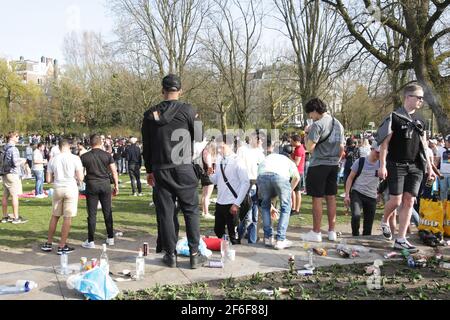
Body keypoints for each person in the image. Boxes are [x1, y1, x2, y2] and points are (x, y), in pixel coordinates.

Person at [142, 74, 206, 269]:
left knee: (167, 214)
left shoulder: (150, 114)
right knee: (191, 211)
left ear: (162, 90)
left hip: (161, 169)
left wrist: (150, 170)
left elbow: (147, 146)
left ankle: (170, 255)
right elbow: (200, 135)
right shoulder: (188, 110)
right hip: (184, 166)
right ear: (180, 90)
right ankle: (194, 254)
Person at [377, 84, 435, 250]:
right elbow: (384, 144)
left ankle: (401, 239)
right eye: (418, 97)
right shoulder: (394, 117)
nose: (421, 101)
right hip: (396, 163)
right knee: (396, 200)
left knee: (409, 201)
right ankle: (384, 219)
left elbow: (424, 145)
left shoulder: (421, 120)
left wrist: (430, 167)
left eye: (422, 98)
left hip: (416, 165)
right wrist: (382, 165)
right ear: (408, 97)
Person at [301, 98, 345, 242]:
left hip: (318, 164)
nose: (310, 117)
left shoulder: (317, 125)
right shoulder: (338, 123)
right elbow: (341, 148)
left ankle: (316, 232)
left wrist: (306, 134)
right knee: (331, 197)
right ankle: (332, 231)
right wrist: (336, 161)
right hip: (333, 165)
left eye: (310, 114)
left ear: (315, 111)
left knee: (317, 198)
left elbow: (309, 148)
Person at [41, 140, 84, 254]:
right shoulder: (75, 158)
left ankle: (49, 243)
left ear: (59, 147)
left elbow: (48, 179)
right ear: (68, 147)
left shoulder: (53, 159)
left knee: (55, 216)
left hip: (58, 187)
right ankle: (62, 245)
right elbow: (80, 177)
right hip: (70, 187)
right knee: (67, 217)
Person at [257, 141, 300, 249]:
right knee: (285, 207)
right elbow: (297, 178)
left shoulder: (269, 157)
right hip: (280, 176)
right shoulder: (289, 161)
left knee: (265, 206)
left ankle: (268, 237)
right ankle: (280, 239)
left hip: (262, 175)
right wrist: (289, 190)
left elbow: (260, 173)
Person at [209, 134, 250, 245]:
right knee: (218, 231)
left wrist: (237, 203)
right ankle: (224, 249)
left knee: (233, 235)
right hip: (220, 201)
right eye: (218, 146)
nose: (218, 149)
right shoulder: (219, 160)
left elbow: (245, 183)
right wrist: (210, 174)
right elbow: (217, 180)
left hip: (232, 202)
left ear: (230, 145)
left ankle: (234, 255)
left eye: (221, 147)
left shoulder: (238, 160)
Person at [80, 134, 119, 249]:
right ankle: (110, 237)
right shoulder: (107, 155)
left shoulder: (84, 156)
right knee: (107, 211)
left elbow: (80, 174)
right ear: (100, 143)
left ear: (90, 143)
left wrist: (84, 181)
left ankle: (91, 240)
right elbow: (114, 171)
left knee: (92, 214)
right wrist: (116, 185)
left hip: (92, 184)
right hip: (105, 184)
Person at [344, 142, 381, 236]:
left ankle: (365, 240)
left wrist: (379, 193)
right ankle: (355, 235)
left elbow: (385, 180)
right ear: (372, 149)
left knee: (368, 225)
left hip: (372, 196)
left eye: (381, 153)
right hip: (357, 193)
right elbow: (350, 178)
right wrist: (347, 195)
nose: (379, 155)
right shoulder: (360, 161)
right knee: (356, 215)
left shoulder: (381, 164)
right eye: (377, 152)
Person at [237, 132, 265, 243]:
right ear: (253, 138)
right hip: (245, 182)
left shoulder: (260, 152)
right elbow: (237, 166)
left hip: (257, 182)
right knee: (247, 212)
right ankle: (238, 235)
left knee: (255, 213)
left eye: (261, 140)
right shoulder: (243, 150)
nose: (260, 142)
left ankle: (252, 238)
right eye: (259, 140)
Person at [1, 132, 27, 224]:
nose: (18, 137)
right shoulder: (14, 148)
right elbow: (15, 163)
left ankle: (4, 217)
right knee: (14, 196)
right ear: (11, 137)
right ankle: (16, 218)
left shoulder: (4, 148)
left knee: (5, 196)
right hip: (13, 174)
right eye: (17, 136)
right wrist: (22, 160)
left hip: (5, 174)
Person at [200, 140, 217, 220]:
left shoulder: (204, 151)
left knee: (204, 195)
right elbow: (209, 165)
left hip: (204, 174)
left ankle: (203, 211)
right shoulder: (208, 154)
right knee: (207, 195)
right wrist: (212, 174)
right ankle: (206, 212)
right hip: (208, 175)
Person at [290, 134, 305, 216]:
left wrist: (289, 157)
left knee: (296, 191)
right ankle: (294, 208)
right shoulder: (297, 148)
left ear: (296, 141)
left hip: (297, 172)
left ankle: (296, 209)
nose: (291, 143)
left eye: (292, 141)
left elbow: (296, 163)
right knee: (295, 191)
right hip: (297, 172)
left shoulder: (299, 150)